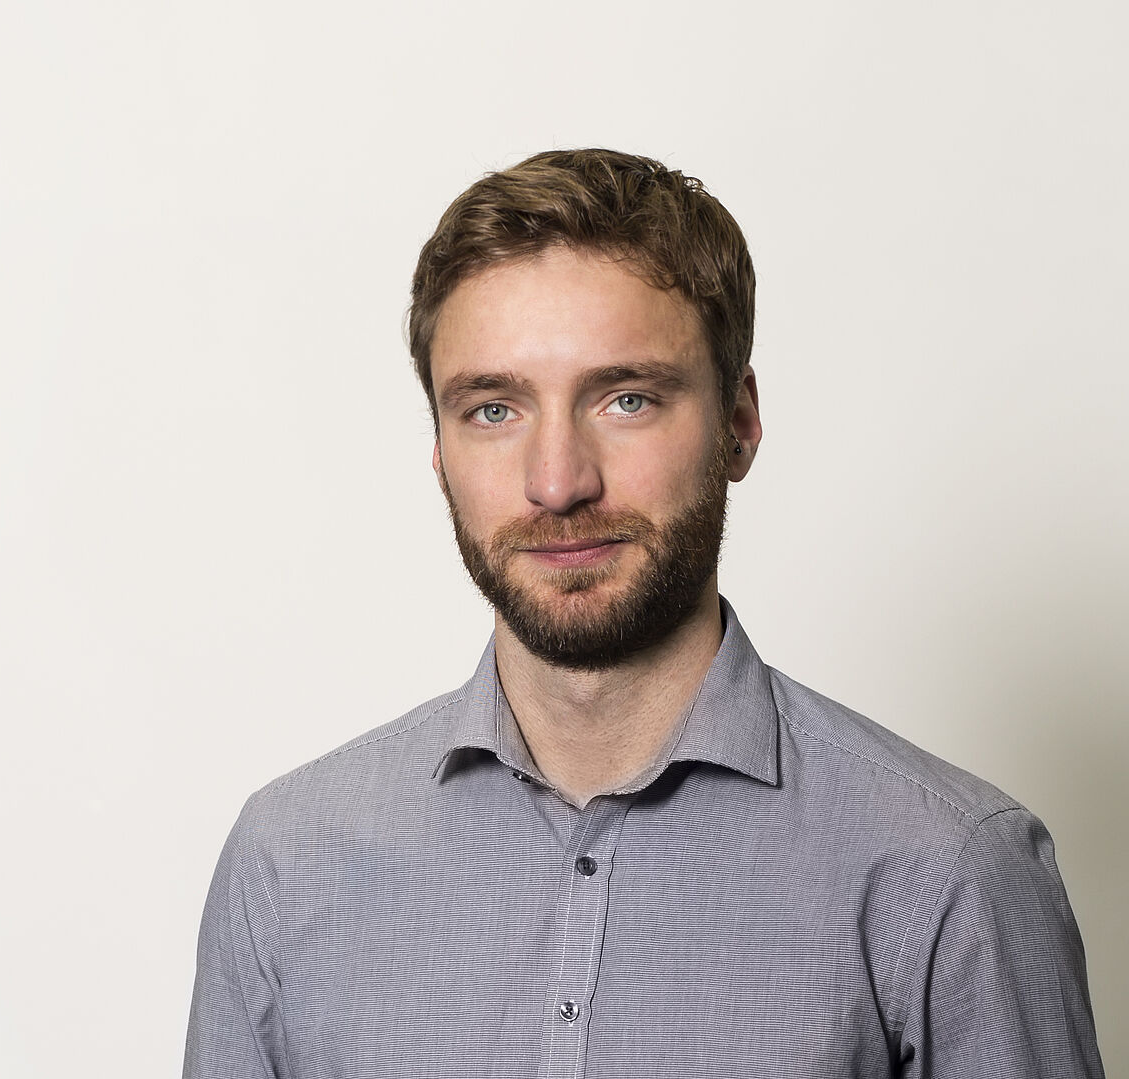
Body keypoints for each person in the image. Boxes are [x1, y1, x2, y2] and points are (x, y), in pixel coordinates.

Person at [183, 149, 1103, 1078]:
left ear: (738, 422)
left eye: (626, 399)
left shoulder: (949, 869)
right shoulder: (285, 863)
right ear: (437, 448)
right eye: (493, 409)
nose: (556, 483)